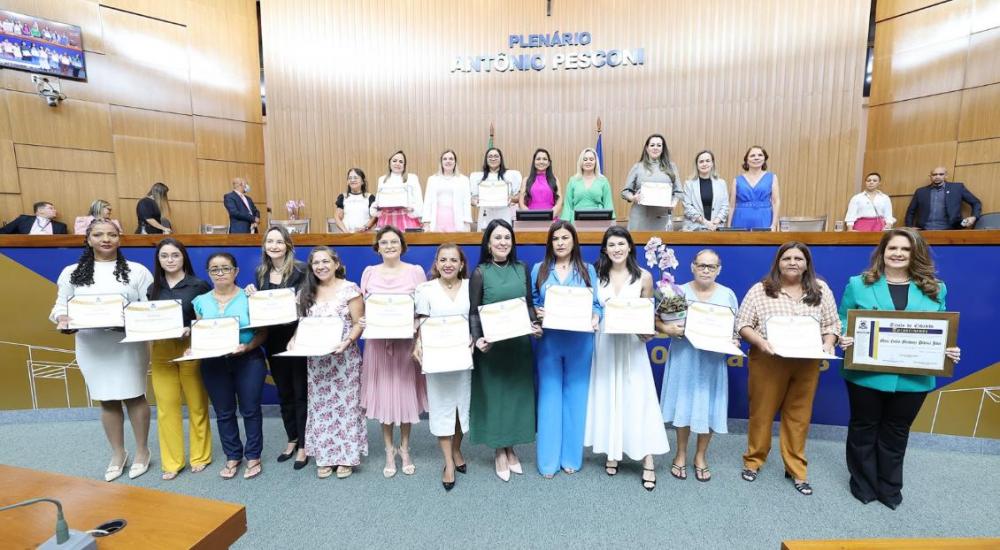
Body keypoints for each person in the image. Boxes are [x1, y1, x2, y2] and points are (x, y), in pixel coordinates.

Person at [837, 228, 962, 509]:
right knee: (863, 428)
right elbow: (843, 317)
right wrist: (845, 335)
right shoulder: (859, 284)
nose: (898, 254)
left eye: (905, 249)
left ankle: (890, 488)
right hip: (866, 374)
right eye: (892, 248)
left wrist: (948, 349)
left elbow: (942, 327)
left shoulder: (935, 288)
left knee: (896, 431)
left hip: (913, 378)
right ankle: (863, 484)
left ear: (915, 254)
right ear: (882, 252)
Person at [50, 220, 154, 481]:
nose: (106, 239)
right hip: (91, 346)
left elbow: (150, 307)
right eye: (98, 235)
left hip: (128, 344)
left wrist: (130, 321)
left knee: (135, 395)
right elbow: (60, 307)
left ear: (120, 238)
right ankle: (118, 453)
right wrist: (63, 320)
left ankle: (142, 451)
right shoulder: (71, 272)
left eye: (112, 234)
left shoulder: (137, 271)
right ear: (88, 239)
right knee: (106, 400)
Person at [736, 242, 840, 495]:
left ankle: (796, 469)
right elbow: (743, 323)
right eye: (787, 258)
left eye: (798, 258)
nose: (793, 262)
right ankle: (753, 461)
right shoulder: (761, 290)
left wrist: (829, 343)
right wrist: (760, 342)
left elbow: (832, 324)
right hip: (768, 360)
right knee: (761, 413)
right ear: (778, 263)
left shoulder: (821, 289)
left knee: (799, 417)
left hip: (807, 363)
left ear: (807, 264)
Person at [584, 226, 669, 491]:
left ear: (630, 246)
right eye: (611, 245)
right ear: (605, 249)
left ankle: (647, 459)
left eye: (621, 243)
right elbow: (591, 308)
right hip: (605, 344)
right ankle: (613, 451)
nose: (617, 249)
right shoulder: (596, 274)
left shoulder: (644, 276)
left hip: (632, 346)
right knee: (608, 394)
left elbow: (647, 316)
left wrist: (647, 332)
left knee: (638, 398)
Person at [468, 219, 541, 481]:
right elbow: (473, 311)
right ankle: (499, 450)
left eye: (507, 238)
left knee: (516, 397)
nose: (502, 242)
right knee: (496, 398)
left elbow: (528, 305)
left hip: (519, 345)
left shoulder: (522, 268)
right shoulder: (480, 272)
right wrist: (478, 339)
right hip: (492, 349)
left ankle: (511, 447)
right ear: (488, 243)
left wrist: (535, 324)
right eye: (497, 238)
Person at [658, 249, 738, 482]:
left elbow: (735, 329)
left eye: (711, 266)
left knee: (709, 406)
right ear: (692, 266)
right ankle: (681, 454)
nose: (705, 270)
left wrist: (734, 339)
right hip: (685, 358)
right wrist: (668, 329)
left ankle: (701, 456)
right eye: (701, 265)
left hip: (712, 361)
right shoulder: (676, 292)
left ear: (718, 270)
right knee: (683, 405)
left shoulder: (727, 295)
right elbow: (658, 322)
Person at [531, 220, 601, 478]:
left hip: (580, 343)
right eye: (555, 238)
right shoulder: (539, 269)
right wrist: (536, 313)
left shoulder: (587, 269)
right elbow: (533, 301)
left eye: (565, 238)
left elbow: (597, 304)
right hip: (550, 341)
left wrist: (596, 316)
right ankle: (548, 461)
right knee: (549, 398)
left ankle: (571, 457)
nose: (560, 243)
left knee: (576, 398)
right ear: (550, 243)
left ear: (574, 241)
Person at [192, 253, 268, 480]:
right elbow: (201, 334)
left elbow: (263, 332)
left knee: (250, 409)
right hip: (213, 362)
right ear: (208, 273)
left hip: (248, 359)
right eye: (214, 269)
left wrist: (247, 347)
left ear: (236, 271)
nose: (220, 273)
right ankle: (233, 455)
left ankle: (253, 455)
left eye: (225, 268)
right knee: (224, 412)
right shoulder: (200, 301)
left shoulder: (250, 297)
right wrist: (193, 348)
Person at [359, 226, 427, 477]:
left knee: (405, 396)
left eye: (394, 241)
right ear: (377, 247)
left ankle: (405, 448)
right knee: (385, 396)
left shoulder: (415, 272)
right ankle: (389, 450)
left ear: (402, 245)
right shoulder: (369, 272)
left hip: (405, 345)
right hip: (378, 346)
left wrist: (414, 326)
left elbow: (423, 309)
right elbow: (363, 308)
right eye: (384, 242)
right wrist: (364, 320)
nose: (389, 246)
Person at [294, 246, 367, 480]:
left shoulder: (350, 289)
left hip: (344, 359)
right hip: (317, 362)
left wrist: (347, 341)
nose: (321, 266)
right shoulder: (306, 292)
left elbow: (358, 323)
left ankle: (346, 456)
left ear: (336, 264)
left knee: (346, 407)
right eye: (316, 263)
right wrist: (294, 341)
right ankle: (325, 456)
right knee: (321, 408)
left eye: (325, 261)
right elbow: (302, 324)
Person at [147, 238, 212, 480]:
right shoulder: (153, 288)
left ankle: (200, 456)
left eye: (175, 255)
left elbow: (208, 319)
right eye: (164, 256)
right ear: (158, 260)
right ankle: (172, 462)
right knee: (166, 408)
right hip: (161, 350)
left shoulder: (199, 285)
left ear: (183, 257)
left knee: (197, 405)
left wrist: (191, 329)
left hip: (190, 348)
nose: (170, 260)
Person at [244, 226, 309, 469]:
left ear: (288, 245)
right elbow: (261, 308)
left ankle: (304, 444)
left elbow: (309, 303)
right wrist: (252, 294)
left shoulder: (301, 269)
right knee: (284, 391)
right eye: (269, 241)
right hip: (273, 339)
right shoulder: (261, 272)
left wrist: (301, 301)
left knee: (300, 391)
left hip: (297, 337)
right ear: (264, 246)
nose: (274, 246)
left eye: (279, 241)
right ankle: (292, 438)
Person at [414, 244, 472, 491]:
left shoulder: (471, 286)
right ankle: (448, 462)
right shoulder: (425, 289)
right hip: (437, 358)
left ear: (461, 264)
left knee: (461, 408)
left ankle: (457, 449)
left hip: (462, 356)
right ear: (436, 263)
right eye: (443, 260)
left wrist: (475, 337)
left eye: (453, 260)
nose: (448, 264)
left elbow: (476, 319)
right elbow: (420, 322)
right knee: (441, 408)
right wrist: (418, 344)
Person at [621, 134, 682, 231]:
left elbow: (678, 192)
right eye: (652, 145)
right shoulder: (638, 167)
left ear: (663, 148)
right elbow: (625, 192)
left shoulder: (671, 167)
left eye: (659, 145)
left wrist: (674, 203)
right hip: (640, 217)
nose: (655, 148)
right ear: (647, 148)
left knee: (661, 241)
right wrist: (633, 198)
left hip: (662, 218)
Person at [904, 166, 981, 230]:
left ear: (946, 176)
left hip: (950, 230)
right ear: (930, 177)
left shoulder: (957, 188)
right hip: (924, 230)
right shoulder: (920, 192)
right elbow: (910, 211)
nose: (937, 177)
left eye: (941, 174)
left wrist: (974, 217)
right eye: (934, 174)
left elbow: (976, 202)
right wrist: (909, 228)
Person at [470, 148, 522, 230]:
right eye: (490, 156)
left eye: (496, 156)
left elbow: (519, 197)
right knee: (485, 236)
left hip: (504, 213)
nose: (493, 158)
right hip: (485, 214)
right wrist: (474, 201)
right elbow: (472, 199)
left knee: (504, 234)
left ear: (501, 159)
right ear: (486, 159)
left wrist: (511, 199)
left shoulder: (511, 175)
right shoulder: (477, 177)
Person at [729, 146, 780, 230]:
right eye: (752, 155)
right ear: (746, 160)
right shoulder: (737, 180)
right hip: (740, 220)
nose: (756, 158)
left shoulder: (772, 177)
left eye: (760, 155)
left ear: (764, 158)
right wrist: (728, 226)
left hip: (764, 220)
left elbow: (775, 202)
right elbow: (731, 205)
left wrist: (774, 225)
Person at [422, 150, 472, 232]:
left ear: (455, 162)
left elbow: (466, 202)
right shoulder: (432, 179)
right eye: (445, 159)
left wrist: (467, 222)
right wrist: (426, 222)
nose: (448, 161)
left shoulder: (464, 180)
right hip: (437, 221)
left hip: (457, 221)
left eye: (451, 159)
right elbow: (428, 202)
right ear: (441, 162)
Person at [371, 150, 423, 230]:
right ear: (390, 163)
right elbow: (378, 201)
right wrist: (377, 209)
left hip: (406, 220)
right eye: (394, 161)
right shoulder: (382, 179)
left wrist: (412, 209)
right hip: (386, 220)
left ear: (404, 165)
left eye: (401, 161)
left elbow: (419, 201)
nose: (397, 164)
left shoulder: (412, 178)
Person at [562, 147, 614, 224]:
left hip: (599, 221)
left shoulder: (603, 181)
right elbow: (568, 205)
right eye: (585, 159)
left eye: (591, 159)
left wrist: (612, 223)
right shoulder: (573, 181)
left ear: (596, 162)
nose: (588, 162)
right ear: (581, 162)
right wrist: (565, 223)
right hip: (576, 222)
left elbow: (608, 203)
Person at [682, 151, 729, 231]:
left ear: (712, 163)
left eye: (707, 161)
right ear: (697, 165)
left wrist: (715, 222)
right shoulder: (689, 184)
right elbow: (687, 207)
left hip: (716, 228)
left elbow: (725, 206)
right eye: (701, 161)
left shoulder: (721, 183)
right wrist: (706, 222)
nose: (704, 164)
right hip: (694, 228)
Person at [518, 148, 563, 217]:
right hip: (531, 219)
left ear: (549, 163)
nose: (541, 162)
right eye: (538, 159)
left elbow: (559, 201)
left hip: (551, 218)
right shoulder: (526, 180)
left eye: (544, 159)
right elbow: (521, 203)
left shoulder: (555, 179)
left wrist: (552, 214)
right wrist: (530, 216)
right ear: (534, 162)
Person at [333, 168, 376, 233]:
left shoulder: (370, 197)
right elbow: (337, 217)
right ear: (347, 181)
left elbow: (375, 216)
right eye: (350, 178)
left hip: (365, 235)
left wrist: (365, 228)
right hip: (347, 235)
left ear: (362, 181)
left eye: (355, 178)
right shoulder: (343, 197)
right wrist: (345, 231)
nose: (352, 180)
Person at [1, 201, 67, 234]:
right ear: (40, 210)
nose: (55, 211)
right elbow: (3, 232)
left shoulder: (61, 226)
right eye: (51, 208)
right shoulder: (23, 220)